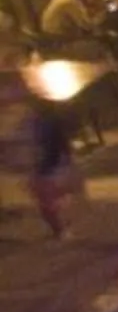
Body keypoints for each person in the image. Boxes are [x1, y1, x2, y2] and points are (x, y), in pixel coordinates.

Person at [0, 66, 82, 238]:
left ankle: (59, 228)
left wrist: (60, 157)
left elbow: (54, 135)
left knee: (47, 197)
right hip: (27, 159)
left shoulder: (39, 111)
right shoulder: (18, 113)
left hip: (41, 160)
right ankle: (59, 225)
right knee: (44, 196)